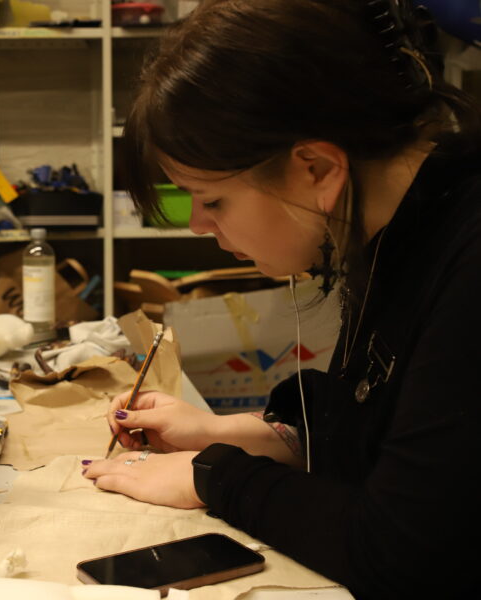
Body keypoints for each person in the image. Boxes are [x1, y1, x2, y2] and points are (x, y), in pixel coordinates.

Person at [82, 1, 481, 597]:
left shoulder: (467, 260)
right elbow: (379, 425)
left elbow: (401, 553)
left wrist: (214, 476)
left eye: (212, 200)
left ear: (316, 169)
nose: (197, 225)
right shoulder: (398, 223)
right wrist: (246, 434)